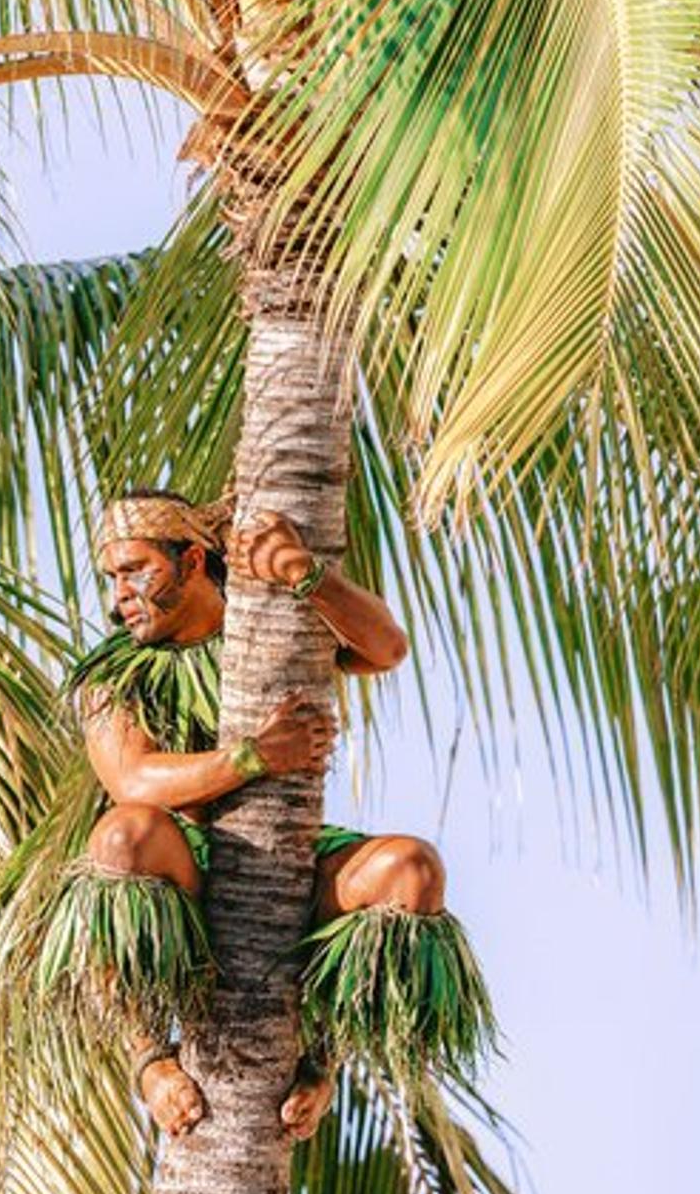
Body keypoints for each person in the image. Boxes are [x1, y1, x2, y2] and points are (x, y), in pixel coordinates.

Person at [35, 488, 492, 1143]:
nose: (119, 596)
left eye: (135, 570)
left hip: (288, 858)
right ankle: (151, 1062)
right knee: (120, 837)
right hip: (180, 863)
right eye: (111, 576)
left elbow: (386, 647)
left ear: (193, 560)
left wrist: (300, 570)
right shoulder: (112, 676)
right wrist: (254, 757)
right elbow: (133, 778)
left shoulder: (274, 626)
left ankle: (321, 1061)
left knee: (413, 872)